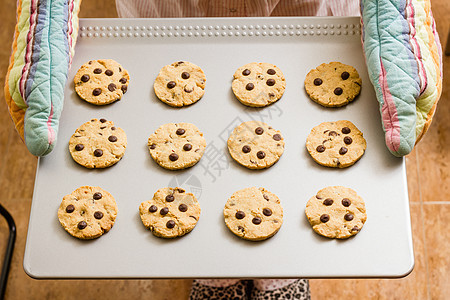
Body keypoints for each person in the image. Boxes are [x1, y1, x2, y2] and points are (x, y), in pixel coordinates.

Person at [113, 1, 364, 299]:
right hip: (178, 20)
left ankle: (278, 271)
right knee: (205, 183)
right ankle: (216, 269)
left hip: (302, 23)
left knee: (293, 178)